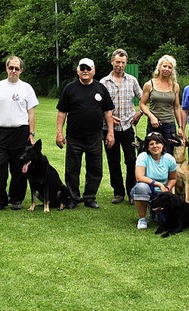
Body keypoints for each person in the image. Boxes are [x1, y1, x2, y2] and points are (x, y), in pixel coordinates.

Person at [56, 58, 115, 209]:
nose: (85, 71)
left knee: (95, 168)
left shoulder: (101, 88)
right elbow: (62, 112)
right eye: (82, 68)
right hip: (74, 137)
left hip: (95, 137)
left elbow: (108, 111)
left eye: (88, 68)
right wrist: (59, 133)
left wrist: (110, 133)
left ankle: (90, 197)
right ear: (78, 71)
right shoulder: (70, 88)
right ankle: (73, 197)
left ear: (93, 70)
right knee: (72, 169)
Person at [0, 55, 38, 212]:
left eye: (17, 68)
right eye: (11, 68)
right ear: (6, 68)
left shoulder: (26, 88)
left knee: (19, 169)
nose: (13, 71)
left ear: (21, 70)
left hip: (21, 132)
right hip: (1, 133)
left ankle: (16, 199)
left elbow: (31, 113)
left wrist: (31, 134)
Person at [100, 49, 143, 204]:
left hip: (127, 127)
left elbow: (144, 99)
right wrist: (109, 117)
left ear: (126, 63)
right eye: (117, 62)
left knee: (131, 160)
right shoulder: (104, 82)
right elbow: (98, 106)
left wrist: (139, 113)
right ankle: (118, 192)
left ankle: (132, 191)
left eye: (123, 62)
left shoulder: (132, 80)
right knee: (113, 161)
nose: (120, 65)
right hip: (109, 129)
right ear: (112, 62)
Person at [138, 55, 183, 154]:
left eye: (169, 67)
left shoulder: (175, 86)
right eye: (165, 66)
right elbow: (142, 104)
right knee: (153, 153)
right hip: (154, 125)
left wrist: (180, 126)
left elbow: (177, 107)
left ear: (172, 70)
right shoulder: (149, 84)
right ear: (159, 67)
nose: (166, 69)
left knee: (168, 154)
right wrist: (151, 116)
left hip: (169, 125)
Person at [131, 132, 177, 229]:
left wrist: (167, 188)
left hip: (162, 193)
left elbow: (173, 178)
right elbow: (139, 177)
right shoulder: (143, 156)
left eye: (158, 143)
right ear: (147, 147)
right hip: (145, 189)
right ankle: (142, 219)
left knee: (163, 221)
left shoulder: (170, 159)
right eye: (151, 144)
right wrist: (159, 184)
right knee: (141, 187)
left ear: (163, 144)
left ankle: (154, 213)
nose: (155, 146)